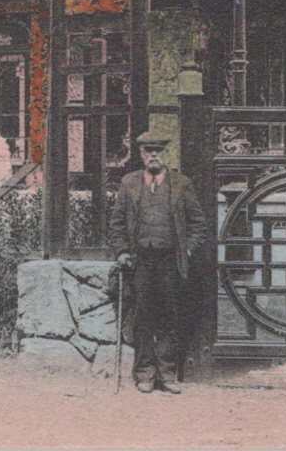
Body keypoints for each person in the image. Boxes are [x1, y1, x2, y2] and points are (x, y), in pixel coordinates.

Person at [110, 128, 207, 394]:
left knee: (169, 316)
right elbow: (117, 223)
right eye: (147, 151)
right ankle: (144, 374)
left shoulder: (181, 183)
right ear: (140, 154)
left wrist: (186, 251)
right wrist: (121, 252)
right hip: (140, 261)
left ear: (166, 153)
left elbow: (198, 224)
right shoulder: (129, 183)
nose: (153, 155)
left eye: (158, 150)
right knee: (142, 317)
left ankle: (167, 373)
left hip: (170, 262)